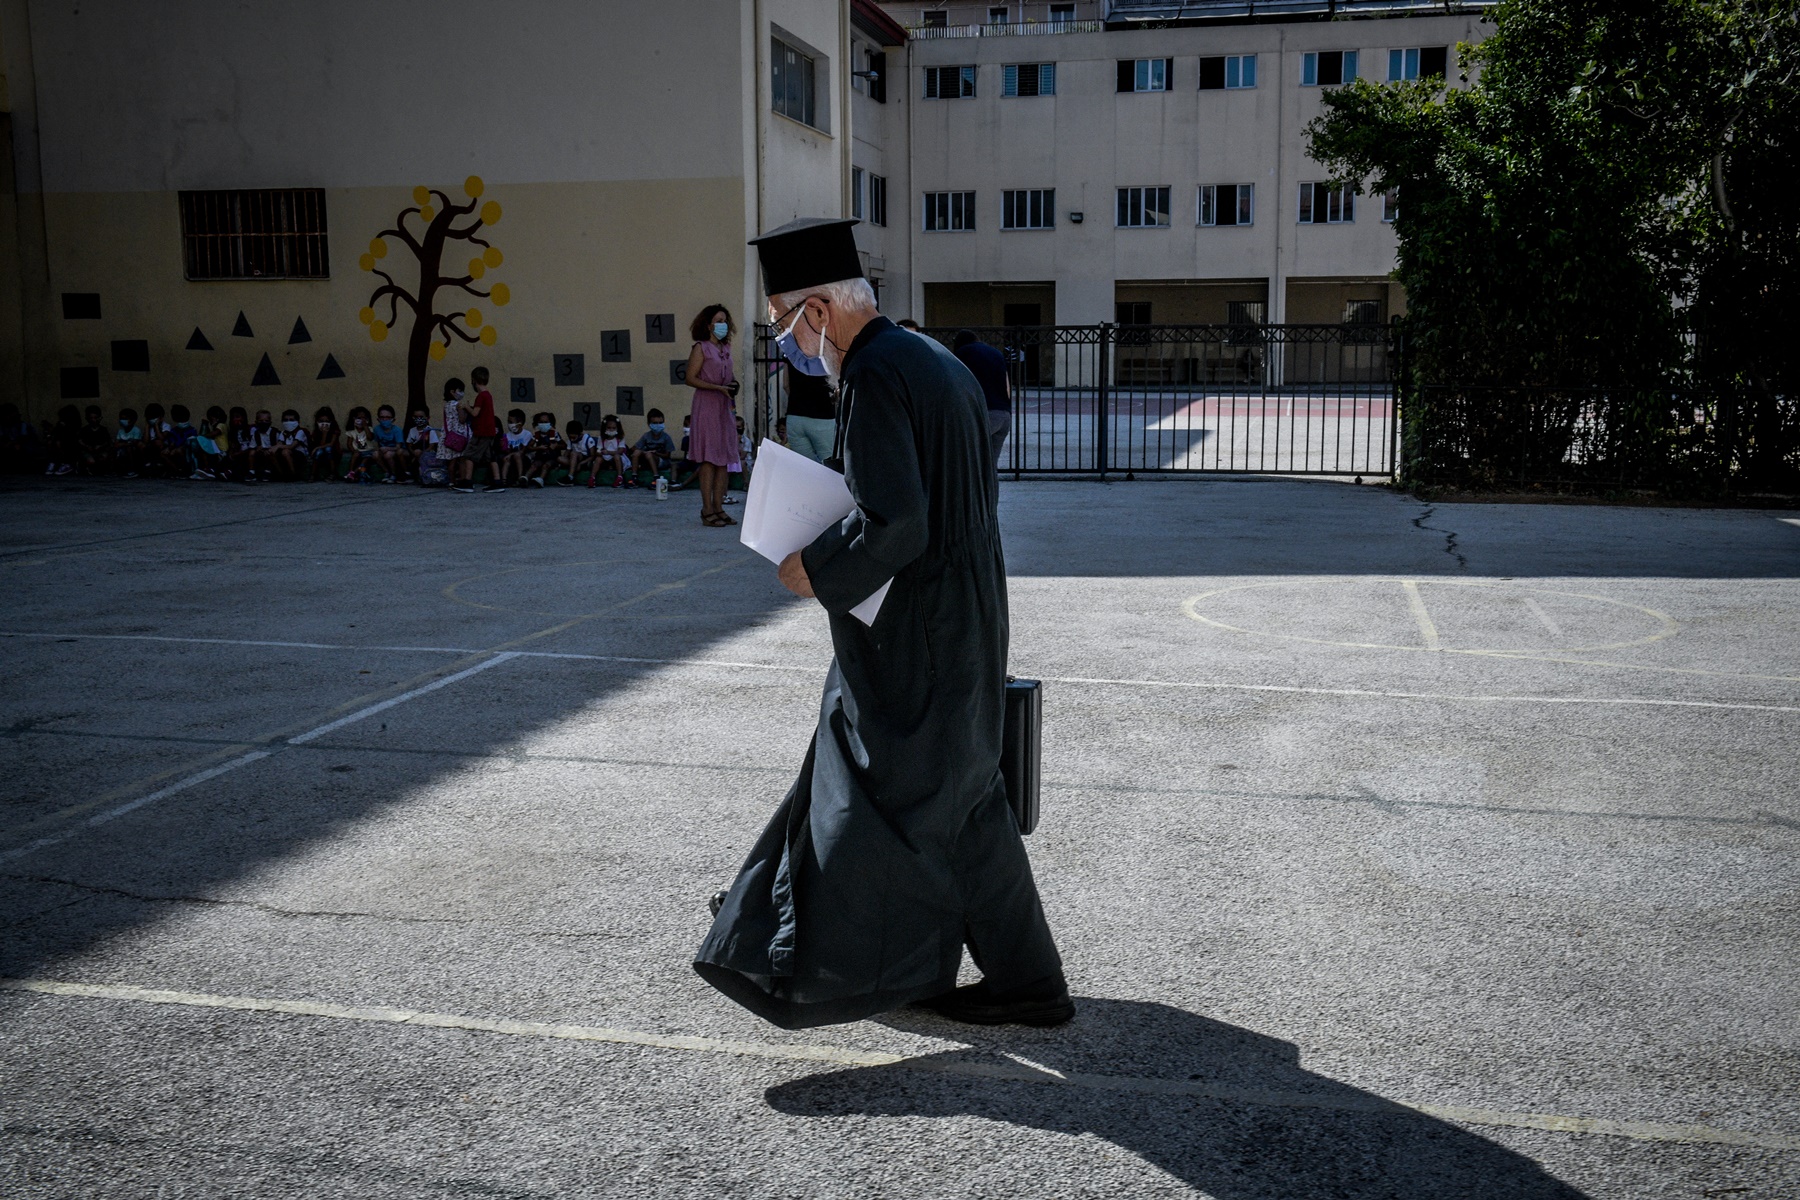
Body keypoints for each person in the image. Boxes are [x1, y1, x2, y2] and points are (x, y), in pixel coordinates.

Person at [695, 217, 1070, 1030]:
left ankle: (800, 948)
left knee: (877, 787)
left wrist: (814, 567)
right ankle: (1022, 979)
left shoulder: (872, 375)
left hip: (916, 631)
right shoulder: (934, 360)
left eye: (784, 325)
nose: (790, 345)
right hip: (963, 614)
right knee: (960, 798)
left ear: (820, 312)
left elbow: (896, 521)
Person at [684, 303, 741, 526]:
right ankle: (707, 509)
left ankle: (719, 507)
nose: (723, 325)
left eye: (725, 320)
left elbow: (730, 375)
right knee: (708, 459)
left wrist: (731, 385)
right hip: (707, 404)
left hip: (725, 404)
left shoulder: (725, 348)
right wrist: (716, 388)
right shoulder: (701, 348)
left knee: (723, 459)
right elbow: (690, 378)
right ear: (708, 325)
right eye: (718, 320)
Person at [952, 330, 1013, 469]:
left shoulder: (963, 353)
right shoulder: (996, 353)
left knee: (966, 462)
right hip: (1003, 414)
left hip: (981, 414)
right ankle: (991, 491)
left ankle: (969, 491)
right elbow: (1007, 387)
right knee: (990, 467)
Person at [782, 361, 835, 463]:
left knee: (804, 465)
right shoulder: (825, 349)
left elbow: (785, 385)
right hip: (823, 415)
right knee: (830, 463)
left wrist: (797, 401)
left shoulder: (792, 351)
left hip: (795, 416)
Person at [466, 366, 504, 492]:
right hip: (490, 431)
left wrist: (466, 406)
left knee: (470, 455)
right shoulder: (488, 395)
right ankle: (497, 481)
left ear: (474, 380)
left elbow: (475, 413)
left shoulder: (481, 396)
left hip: (481, 432)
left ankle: (467, 481)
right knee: (490, 457)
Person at [442, 379, 474, 492]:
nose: (462, 393)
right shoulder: (458, 405)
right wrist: (466, 408)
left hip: (450, 436)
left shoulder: (447, 405)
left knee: (451, 461)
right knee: (461, 460)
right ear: (452, 391)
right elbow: (462, 419)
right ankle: (462, 480)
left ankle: (451, 481)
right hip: (460, 436)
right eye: (460, 390)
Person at [629, 409, 677, 485]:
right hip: (647, 460)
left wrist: (656, 453)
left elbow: (667, 455)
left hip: (662, 461)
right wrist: (643, 451)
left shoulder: (666, 437)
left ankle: (656, 477)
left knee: (649, 454)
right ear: (649, 424)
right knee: (637, 452)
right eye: (655, 423)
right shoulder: (646, 436)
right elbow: (634, 448)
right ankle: (634, 477)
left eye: (660, 423)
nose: (658, 425)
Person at [523, 410, 562, 487]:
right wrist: (538, 448)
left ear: (551, 423)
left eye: (545, 422)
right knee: (534, 465)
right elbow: (529, 446)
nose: (543, 424)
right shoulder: (537, 435)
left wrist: (555, 446)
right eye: (541, 422)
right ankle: (525, 478)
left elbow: (564, 445)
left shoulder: (554, 434)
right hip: (540, 457)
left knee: (546, 465)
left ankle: (541, 479)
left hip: (552, 457)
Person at [372, 404, 407, 482]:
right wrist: (378, 450)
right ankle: (387, 472)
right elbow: (376, 443)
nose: (385, 419)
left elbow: (399, 446)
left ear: (393, 419)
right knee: (375, 454)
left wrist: (387, 448)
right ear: (378, 419)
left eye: (387, 417)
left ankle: (394, 474)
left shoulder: (397, 430)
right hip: (383, 450)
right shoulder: (377, 429)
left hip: (395, 450)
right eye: (382, 417)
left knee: (388, 455)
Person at [342, 406, 377, 482]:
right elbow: (349, 444)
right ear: (354, 419)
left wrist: (365, 426)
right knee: (355, 457)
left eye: (364, 418)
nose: (361, 420)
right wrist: (353, 451)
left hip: (368, 452)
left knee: (365, 461)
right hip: (358, 452)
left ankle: (354, 473)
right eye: (359, 418)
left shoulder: (369, 428)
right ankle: (351, 471)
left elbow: (370, 438)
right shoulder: (351, 431)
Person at [500, 408, 533, 486]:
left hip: (524, 457)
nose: (509, 424)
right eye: (508, 422)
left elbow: (523, 451)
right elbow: (507, 450)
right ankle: (503, 480)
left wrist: (510, 454)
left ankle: (520, 478)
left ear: (519, 423)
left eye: (511, 422)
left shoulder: (527, 434)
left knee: (516, 455)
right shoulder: (508, 435)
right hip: (511, 456)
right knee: (506, 459)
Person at [273, 409, 308, 480]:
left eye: (291, 420)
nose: (288, 422)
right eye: (286, 420)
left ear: (298, 422)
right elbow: (279, 443)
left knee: (285, 451)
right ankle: (281, 474)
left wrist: (278, 446)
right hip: (288, 453)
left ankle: (293, 474)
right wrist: (273, 448)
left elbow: (292, 446)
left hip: (300, 454)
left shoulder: (300, 432)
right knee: (272, 452)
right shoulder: (283, 433)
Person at [76, 405, 112, 474]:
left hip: (100, 451)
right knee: (91, 461)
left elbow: (107, 441)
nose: (93, 420)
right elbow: (79, 441)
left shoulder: (103, 430)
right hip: (88, 451)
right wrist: (87, 446)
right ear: (87, 418)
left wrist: (100, 446)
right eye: (91, 418)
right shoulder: (84, 430)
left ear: (100, 418)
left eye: (95, 418)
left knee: (103, 458)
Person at [308, 406, 341, 481]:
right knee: (318, 452)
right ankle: (313, 474)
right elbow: (321, 444)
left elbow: (331, 444)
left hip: (334, 452)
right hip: (321, 451)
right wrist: (324, 434)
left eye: (327, 421)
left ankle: (333, 473)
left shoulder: (335, 431)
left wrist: (316, 448)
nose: (324, 423)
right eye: (321, 421)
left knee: (328, 449)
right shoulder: (316, 432)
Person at [562, 418, 596, 485]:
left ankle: (570, 477)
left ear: (580, 434)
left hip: (584, 460)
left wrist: (581, 463)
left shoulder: (588, 439)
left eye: (574, 438)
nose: (571, 439)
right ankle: (574, 466)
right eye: (570, 437)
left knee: (574, 453)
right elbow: (567, 452)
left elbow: (593, 456)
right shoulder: (570, 441)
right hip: (574, 459)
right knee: (560, 458)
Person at [113, 408, 144, 477]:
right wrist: (126, 443)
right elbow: (116, 444)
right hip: (123, 449)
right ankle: (114, 470)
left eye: (125, 419)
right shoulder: (120, 431)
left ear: (133, 420)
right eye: (121, 418)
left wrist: (122, 443)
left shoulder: (136, 430)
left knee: (129, 448)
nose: (122, 421)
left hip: (133, 451)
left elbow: (134, 443)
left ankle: (132, 469)